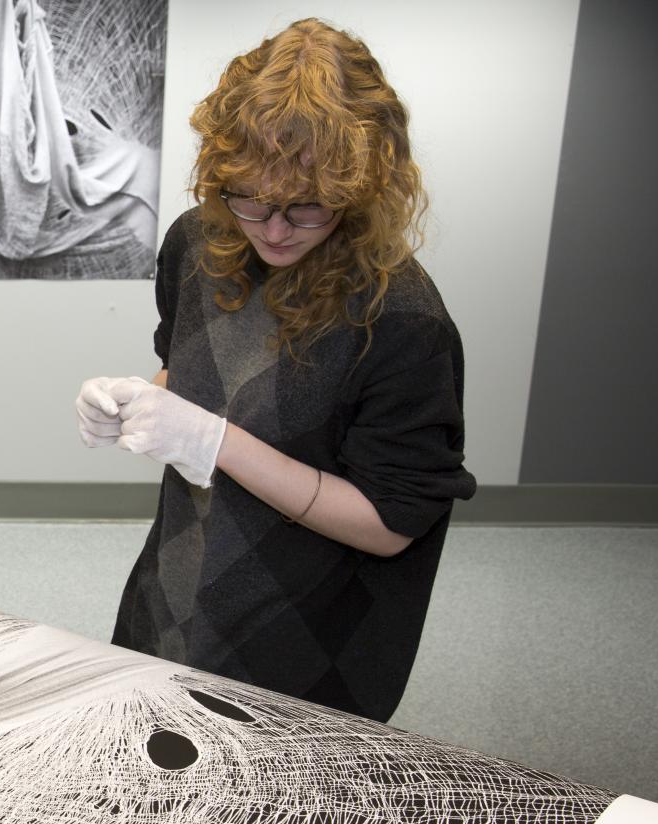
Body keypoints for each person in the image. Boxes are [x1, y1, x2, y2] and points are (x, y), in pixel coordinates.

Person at [75, 18, 475, 723]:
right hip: (176, 587)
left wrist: (215, 443)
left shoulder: (402, 319)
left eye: (308, 205)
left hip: (303, 635)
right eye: (251, 196)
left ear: (364, 189)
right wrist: (137, 398)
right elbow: (190, 377)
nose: (275, 228)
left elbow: (390, 524)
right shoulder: (199, 243)